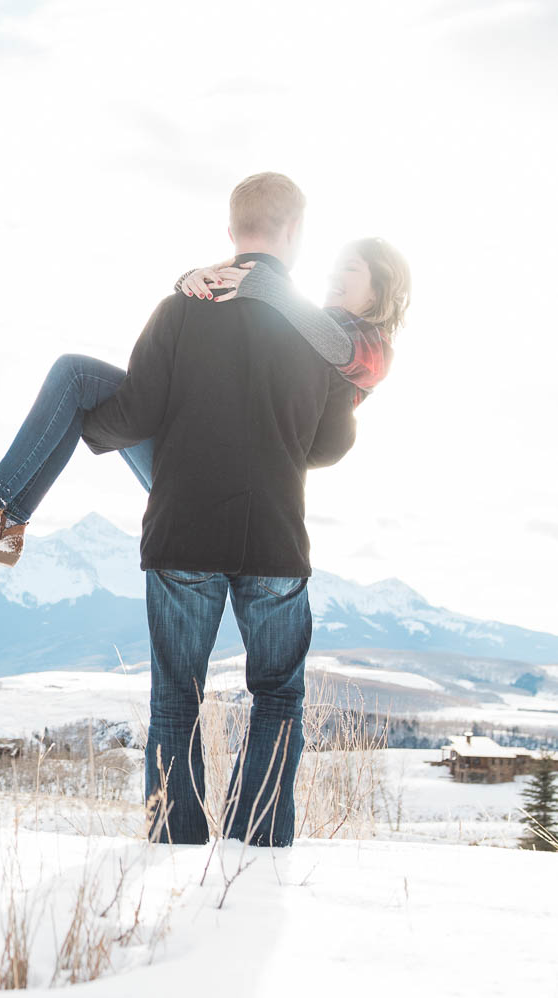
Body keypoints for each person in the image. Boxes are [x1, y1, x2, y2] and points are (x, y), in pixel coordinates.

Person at [80, 171, 368, 847]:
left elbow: (136, 415)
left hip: (184, 533)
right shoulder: (318, 333)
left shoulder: (181, 307)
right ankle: (259, 840)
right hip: (274, 539)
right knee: (276, 697)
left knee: (177, 698)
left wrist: (84, 417)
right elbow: (329, 446)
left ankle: (175, 842)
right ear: (295, 231)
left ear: (231, 227)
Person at [0, 231, 410, 567]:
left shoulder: (368, 346)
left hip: (209, 476)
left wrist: (262, 287)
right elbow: (248, 320)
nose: (332, 278)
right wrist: (195, 281)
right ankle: (6, 524)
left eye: (349, 271)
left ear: (380, 288)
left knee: (73, 378)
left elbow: (333, 343)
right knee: (74, 391)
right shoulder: (308, 326)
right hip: (208, 457)